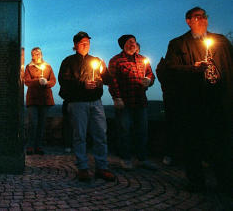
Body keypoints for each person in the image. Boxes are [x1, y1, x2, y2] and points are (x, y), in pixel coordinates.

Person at [164, 7, 232, 193]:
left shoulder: (221, 41)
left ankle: (225, 182)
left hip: (218, 101)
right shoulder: (178, 44)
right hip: (193, 103)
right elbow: (170, 70)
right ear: (188, 21)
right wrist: (191, 69)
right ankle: (196, 182)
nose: (202, 20)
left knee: (221, 144)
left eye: (204, 16)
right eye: (197, 17)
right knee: (193, 144)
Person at [58, 31, 115, 182]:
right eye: (83, 43)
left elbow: (108, 80)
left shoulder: (96, 60)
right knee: (80, 136)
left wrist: (103, 70)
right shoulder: (68, 61)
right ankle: (83, 168)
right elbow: (64, 81)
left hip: (96, 102)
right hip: (77, 103)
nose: (86, 45)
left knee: (100, 135)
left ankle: (102, 167)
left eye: (88, 43)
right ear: (76, 45)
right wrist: (83, 84)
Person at [108, 35, 157, 171]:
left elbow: (151, 74)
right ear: (124, 45)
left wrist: (149, 80)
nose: (133, 44)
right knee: (124, 131)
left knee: (142, 131)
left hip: (140, 101)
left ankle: (142, 159)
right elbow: (112, 80)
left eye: (134, 42)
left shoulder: (142, 59)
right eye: (130, 42)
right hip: (124, 102)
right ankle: (125, 159)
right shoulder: (116, 60)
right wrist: (117, 98)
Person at [24, 47, 56, 155]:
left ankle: (39, 146)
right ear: (32, 55)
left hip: (45, 99)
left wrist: (46, 83)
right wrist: (38, 81)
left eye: (38, 54)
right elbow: (27, 81)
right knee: (33, 123)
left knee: (42, 124)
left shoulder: (48, 66)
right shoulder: (28, 67)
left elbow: (53, 80)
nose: (36, 55)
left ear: (41, 54)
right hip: (33, 99)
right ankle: (30, 146)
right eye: (34, 54)